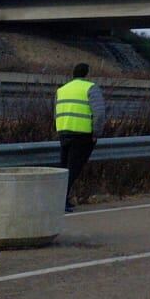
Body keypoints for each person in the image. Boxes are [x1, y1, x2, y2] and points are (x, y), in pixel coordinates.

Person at [56, 62, 105, 212]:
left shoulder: (62, 89)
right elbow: (99, 113)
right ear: (87, 74)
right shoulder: (90, 88)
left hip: (64, 131)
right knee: (74, 169)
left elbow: (56, 111)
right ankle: (60, 201)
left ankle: (61, 199)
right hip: (83, 134)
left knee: (64, 168)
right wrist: (96, 133)